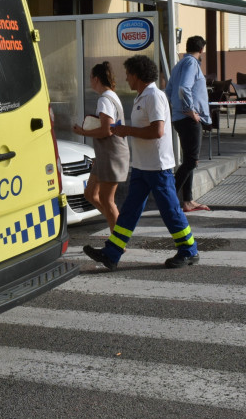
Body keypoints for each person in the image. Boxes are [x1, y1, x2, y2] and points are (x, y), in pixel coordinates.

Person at [83, 55, 199, 270]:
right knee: (129, 211)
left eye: (128, 74)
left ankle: (189, 250)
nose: (126, 78)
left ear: (137, 75)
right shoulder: (141, 97)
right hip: (142, 166)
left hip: (157, 167)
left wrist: (126, 130)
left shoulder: (154, 96)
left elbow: (158, 131)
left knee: (170, 211)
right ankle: (112, 253)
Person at [72, 62, 130, 231]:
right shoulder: (111, 95)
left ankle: (118, 239)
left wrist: (82, 132)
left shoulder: (104, 99)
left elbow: (107, 130)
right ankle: (116, 225)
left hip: (112, 155)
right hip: (106, 155)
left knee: (106, 199)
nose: (89, 81)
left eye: (90, 77)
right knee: (90, 194)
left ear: (96, 79)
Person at [165, 35, 211, 213]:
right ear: (201, 50)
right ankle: (168, 200)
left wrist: (176, 107)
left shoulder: (179, 65)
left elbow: (169, 91)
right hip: (189, 119)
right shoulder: (192, 64)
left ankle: (187, 201)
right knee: (192, 161)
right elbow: (184, 88)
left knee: (188, 160)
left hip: (179, 118)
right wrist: (189, 109)